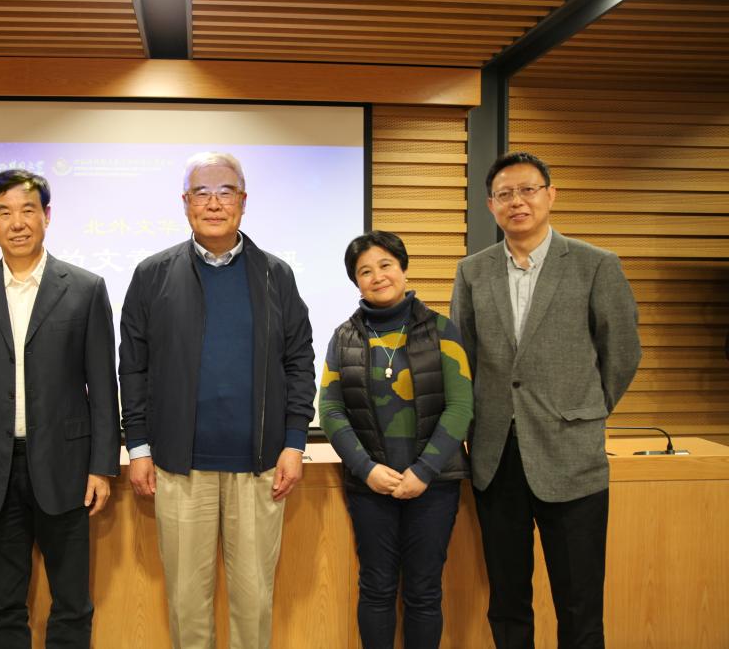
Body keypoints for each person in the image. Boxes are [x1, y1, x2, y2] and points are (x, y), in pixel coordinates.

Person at [119, 151, 316, 649]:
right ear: (185, 202)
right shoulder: (152, 274)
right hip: (179, 467)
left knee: (254, 603)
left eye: (225, 191)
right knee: (187, 604)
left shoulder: (276, 274)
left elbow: (299, 361)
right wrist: (138, 447)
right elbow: (133, 367)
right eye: (201, 193)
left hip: (260, 466)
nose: (213, 203)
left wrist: (295, 442)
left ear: (243, 201)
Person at [450, 151, 641, 648]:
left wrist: (584, 411)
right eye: (505, 194)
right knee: (507, 601)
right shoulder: (472, 272)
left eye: (528, 190)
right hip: (496, 457)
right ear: (491, 205)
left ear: (550, 195)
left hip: (571, 454)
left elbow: (622, 352)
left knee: (580, 603)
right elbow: (463, 360)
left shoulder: (595, 265)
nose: (517, 201)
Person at [0, 169, 119, 648]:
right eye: (4, 212)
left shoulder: (85, 288)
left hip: (66, 467)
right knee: (2, 603)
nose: (17, 223)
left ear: (46, 216)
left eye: (28, 210)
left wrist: (101, 467)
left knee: (72, 602)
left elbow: (103, 386)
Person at [319, 231, 473, 648]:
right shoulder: (344, 337)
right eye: (365, 271)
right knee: (376, 588)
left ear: (403, 268)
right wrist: (365, 469)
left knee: (424, 592)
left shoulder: (441, 329)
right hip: (371, 487)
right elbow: (330, 410)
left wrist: (424, 471)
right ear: (356, 282)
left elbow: (461, 406)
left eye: (385, 265)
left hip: (433, 485)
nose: (378, 276)